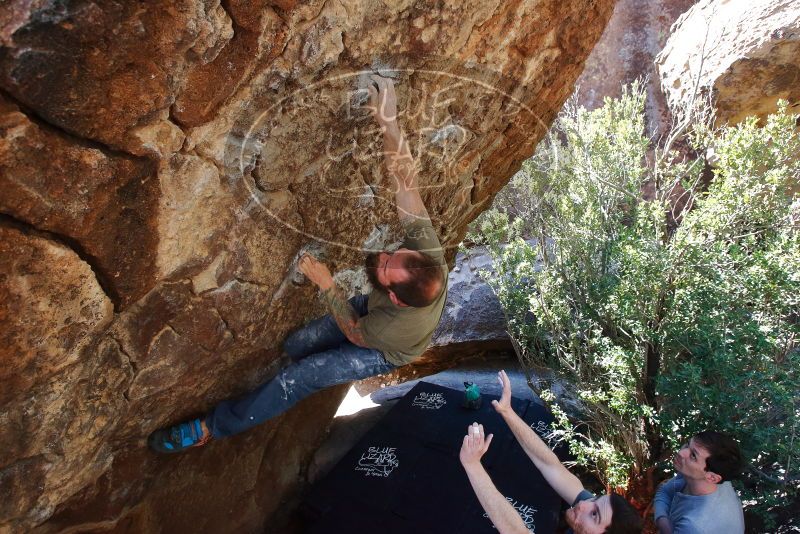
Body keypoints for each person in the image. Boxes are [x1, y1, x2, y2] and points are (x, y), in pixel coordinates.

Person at [149, 75, 448, 453]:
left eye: (385, 267)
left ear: (397, 298)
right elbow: (406, 184)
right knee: (298, 344)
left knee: (301, 375)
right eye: (393, 254)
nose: (383, 256)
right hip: (371, 313)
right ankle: (272, 390)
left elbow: (357, 333)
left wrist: (327, 286)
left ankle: (213, 427)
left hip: (377, 347)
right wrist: (388, 121)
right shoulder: (426, 256)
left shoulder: (394, 329)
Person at [459, 370, 643, 534]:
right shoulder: (587, 506)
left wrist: (472, 464)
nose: (584, 504)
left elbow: (514, 530)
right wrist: (508, 412)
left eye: (594, 514)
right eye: (596, 498)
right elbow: (549, 465)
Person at [653, 431, 744, 534]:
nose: (681, 453)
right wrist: (662, 520)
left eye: (693, 455)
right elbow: (664, 491)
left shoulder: (696, 526)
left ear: (712, 478)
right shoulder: (696, 476)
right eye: (687, 444)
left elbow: (664, 493)